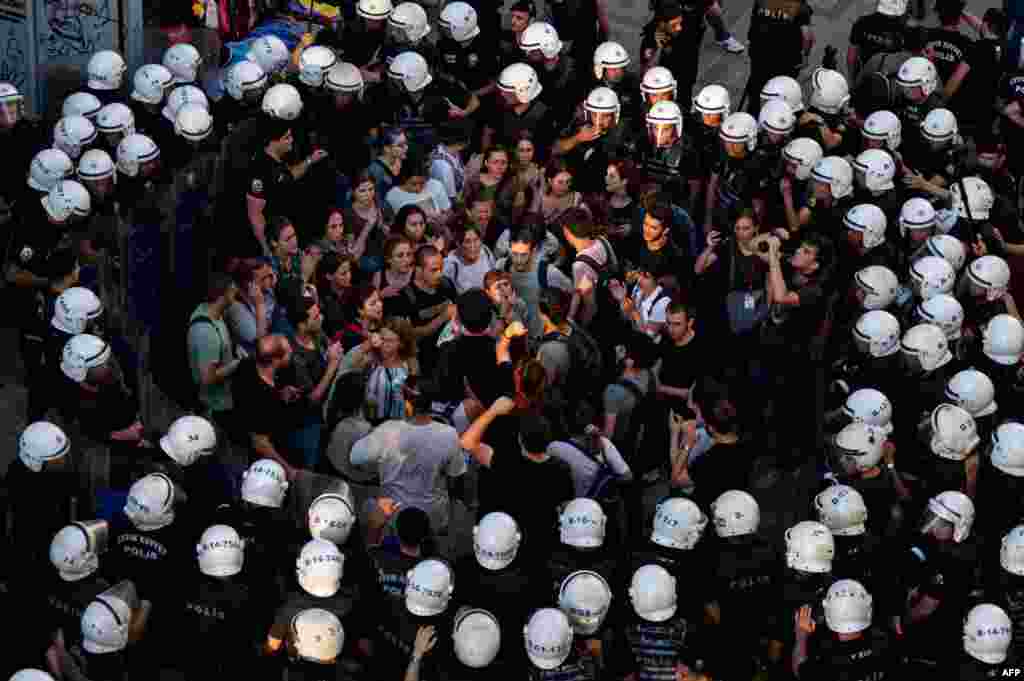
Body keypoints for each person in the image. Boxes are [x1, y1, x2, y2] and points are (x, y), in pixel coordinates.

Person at [461, 397, 575, 561]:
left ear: (520, 440)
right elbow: (565, 507)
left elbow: (467, 442)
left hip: (510, 537)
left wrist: (492, 411)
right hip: (542, 541)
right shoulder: (562, 469)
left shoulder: (507, 463)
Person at [232, 334, 303, 480]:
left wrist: (281, 393)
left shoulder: (247, 364)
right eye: (289, 351)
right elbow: (260, 443)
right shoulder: (264, 398)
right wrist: (288, 470)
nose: (292, 352)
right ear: (275, 360)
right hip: (262, 455)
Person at [188, 272, 242, 424]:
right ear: (221, 293)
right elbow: (207, 378)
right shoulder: (205, 330)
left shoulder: (215, 315)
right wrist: (235, 365)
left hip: (224, 402)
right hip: (214, 409)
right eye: (232, 288)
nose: (235, 290)